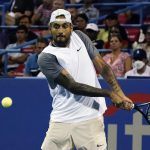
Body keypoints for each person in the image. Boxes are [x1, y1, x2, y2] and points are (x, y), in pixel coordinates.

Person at [38, 9, 133, 150]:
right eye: (56, 26)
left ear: (71, 27)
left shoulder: (80, 37)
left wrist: (120, 93)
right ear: (50, 28)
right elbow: (73, 86)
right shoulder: (46, 57)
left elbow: (102, 66)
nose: (60, 30)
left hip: (90, 118)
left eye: (65, 26)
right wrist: (110, 94)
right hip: (60, 120)